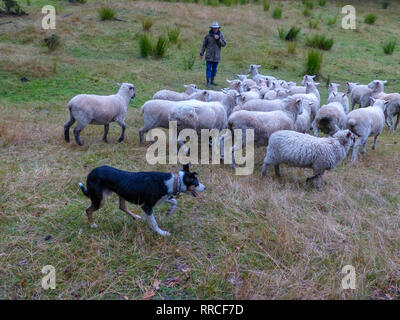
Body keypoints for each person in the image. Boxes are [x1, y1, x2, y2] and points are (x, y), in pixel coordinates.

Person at [200, 21, 226, 88]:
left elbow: (224, 44)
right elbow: (204, 45)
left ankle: (212, 80)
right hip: (209, 56)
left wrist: (218, 39)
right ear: (212, 28)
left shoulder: (221, 35)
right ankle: (208, 82)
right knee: (208, 69)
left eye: (216, 28)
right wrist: (201, 53)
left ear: (218, 28)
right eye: (214, 28)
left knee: (214, 69)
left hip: (216, 56)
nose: (215, 29)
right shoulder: (208, 35)